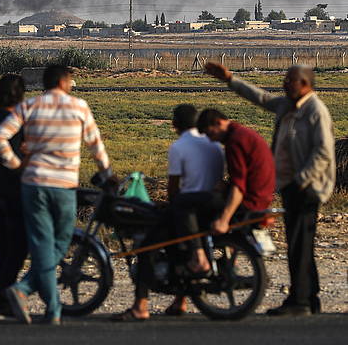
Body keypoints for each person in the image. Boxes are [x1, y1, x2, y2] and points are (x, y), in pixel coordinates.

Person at [205, 63, 335, 316]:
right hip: (291, 187)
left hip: (306, 189)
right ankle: (310, 298)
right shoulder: (287, 106)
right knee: (301, 244)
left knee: (299, 245)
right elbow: (261, 98)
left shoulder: (315, 110)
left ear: (305, 84)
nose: (284, 84)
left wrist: (301, 180)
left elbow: (323, 152)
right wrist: (230, 79)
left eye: (290, 80)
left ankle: (300, 302)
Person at [0, 64, 111, 325]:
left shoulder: (31, 106)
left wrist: (16, 164)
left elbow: (0, 137)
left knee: (42, 244)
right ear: (65, 81)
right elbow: (95, 144)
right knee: (62, 241)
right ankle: (26, 292)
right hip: (65, 185)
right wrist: (107, 172)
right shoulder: (79, 107)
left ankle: (50, 307)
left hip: (33, 185)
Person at [113, 104, 225, 321]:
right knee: (179, 248)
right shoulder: (214, 144)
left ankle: (140, 306)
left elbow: (173, 188)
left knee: (148, 246)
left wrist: (166, 205)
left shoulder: (179, 147)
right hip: (213, 207)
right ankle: (180, 300)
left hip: (189, 208)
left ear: (174, 125)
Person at [0, 74, 29, 320]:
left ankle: (0, 299)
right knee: (18, 247)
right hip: (16, 189)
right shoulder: (16, 121)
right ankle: (6, 298)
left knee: (4, 247)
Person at [195, 109, 275, 251]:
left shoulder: (235, 141)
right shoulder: (245, 133)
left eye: (210, 133)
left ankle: (199, 257)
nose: (211, 139)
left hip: (250, 200)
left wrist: (224, 220)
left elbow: (239, 186)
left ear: (219, 123)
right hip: (264, 196)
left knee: (192, 206)